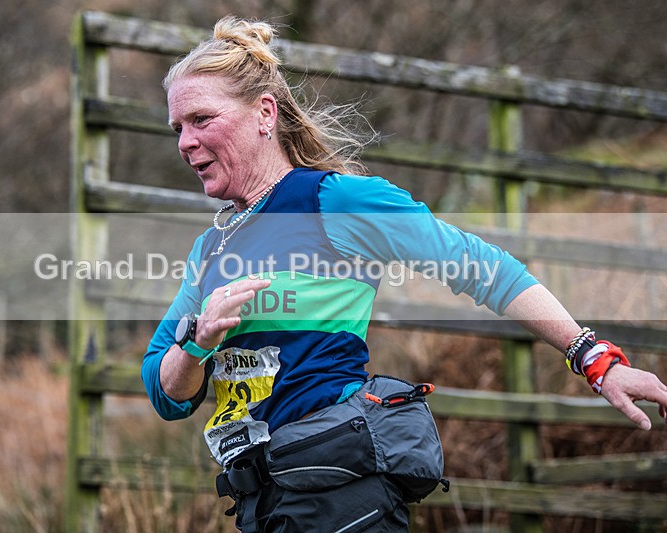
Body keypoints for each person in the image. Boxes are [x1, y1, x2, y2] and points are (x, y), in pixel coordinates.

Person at [141, 15, 667, 532]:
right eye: (177, 128)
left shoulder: (338, 202)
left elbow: (487, 271)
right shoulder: (210, 248)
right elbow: (165, 391)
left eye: (202, 120)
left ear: (264, 113)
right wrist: (198, 342)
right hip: (262, 503)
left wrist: (596, 360)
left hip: (339, 495)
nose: (185, 142)